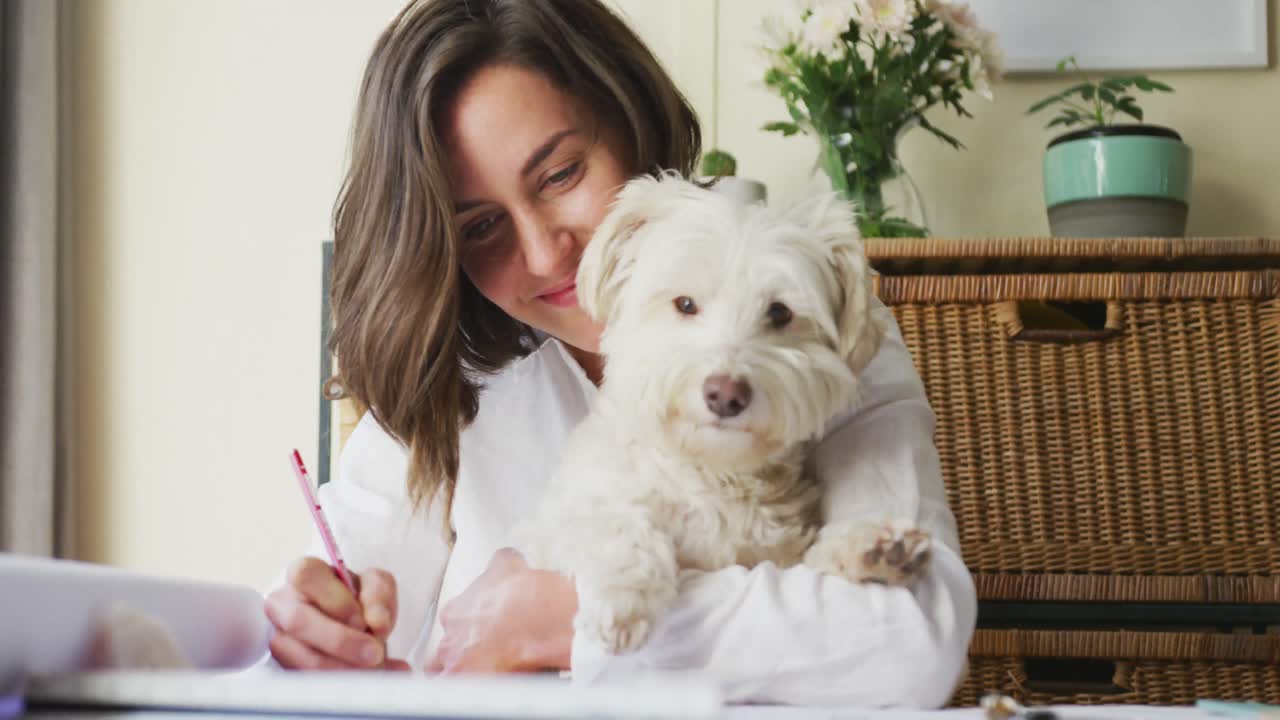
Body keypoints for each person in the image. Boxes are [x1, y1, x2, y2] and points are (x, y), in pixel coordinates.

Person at [264, 0, 976, 708]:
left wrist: (561, 621)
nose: (547, 254)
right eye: (480, 226)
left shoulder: (806, 329)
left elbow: (913, 635)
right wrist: (312, 628)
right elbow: (326, 607)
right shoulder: (449, 368)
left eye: (561, 174)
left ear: (628, 113)